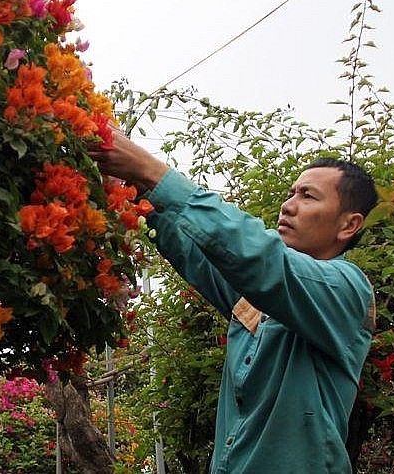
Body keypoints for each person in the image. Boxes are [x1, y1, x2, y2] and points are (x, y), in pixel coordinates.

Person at [90, 126, 378, 473]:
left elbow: (261, 258)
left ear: (349, 225)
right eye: (291, 193)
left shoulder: (347, 291)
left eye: (308, 196)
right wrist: (133, 189)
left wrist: (152, 170)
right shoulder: (259, 299)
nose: (288, 205)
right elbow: (196, 253)